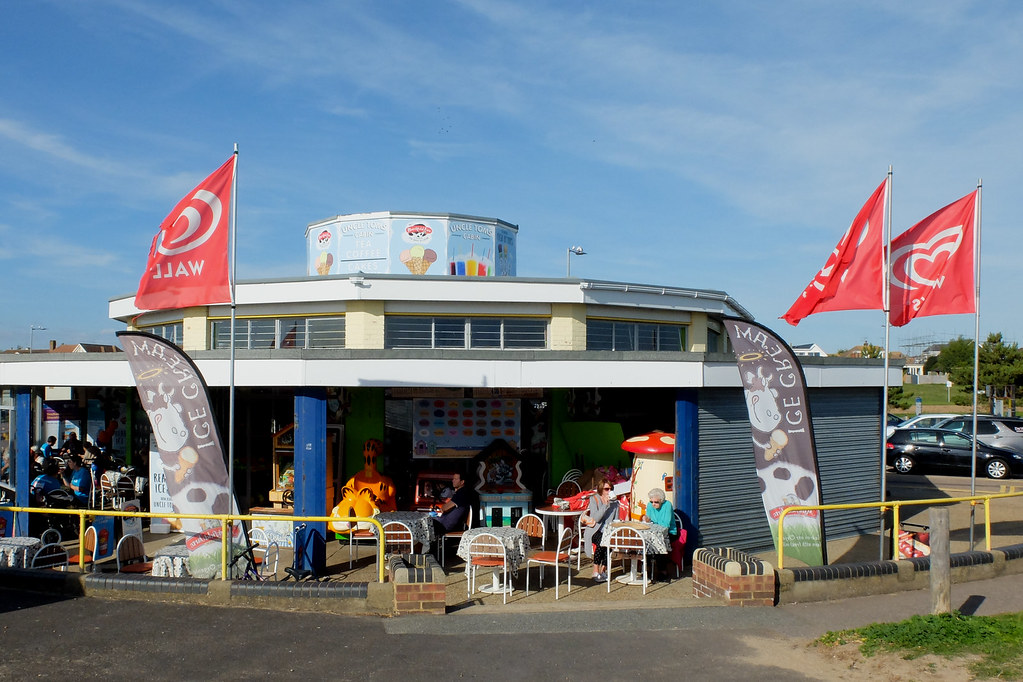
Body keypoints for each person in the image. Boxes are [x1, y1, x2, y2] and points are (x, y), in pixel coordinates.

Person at [580, 477, 618, 583]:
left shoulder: (615, 502)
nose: (609, 491)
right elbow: (596, 518)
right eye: (606, 489)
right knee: (602, 541)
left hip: (608, 530)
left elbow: (616, 519)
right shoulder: (594, 499)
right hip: (594, 530)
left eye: (611, 489)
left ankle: (603, 569)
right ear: (601, 489)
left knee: (609, 541)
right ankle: (595, 569)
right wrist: (605, 505)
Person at [642, 487, 686, 580]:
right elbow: (648, 520)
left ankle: (662, 571)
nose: (653, 504)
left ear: (661, 501)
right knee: (645, 542)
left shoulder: (667, 505)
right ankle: (648, 569)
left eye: (656, 502)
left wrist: (653, 524)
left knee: (658, 543)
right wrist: (646, 519)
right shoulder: (650, 506)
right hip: (653, 533)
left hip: (669, 532)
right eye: (652, 502)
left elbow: (666, 524)